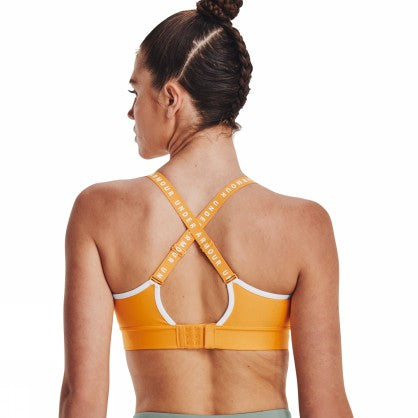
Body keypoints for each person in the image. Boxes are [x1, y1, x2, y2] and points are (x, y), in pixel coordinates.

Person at [59, 1, 354, 417]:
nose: (130, 110)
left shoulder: (100, 213)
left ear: (171, 97)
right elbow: (327, 408)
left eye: (135, 91)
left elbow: (82, 401)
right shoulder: (304, 225)